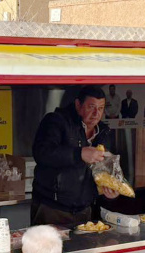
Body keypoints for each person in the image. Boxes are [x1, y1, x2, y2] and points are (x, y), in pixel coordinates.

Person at [31, 86, 120, 227]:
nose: (96, 113)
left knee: (82, 249)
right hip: (52, 209)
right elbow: (42, 153)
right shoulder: (56, 121)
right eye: (91, 107)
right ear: (78, 105)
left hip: (85, 210)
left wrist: (109, 191)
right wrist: (79, 154)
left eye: (101, 108)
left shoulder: (104, 132)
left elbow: (104, 171)